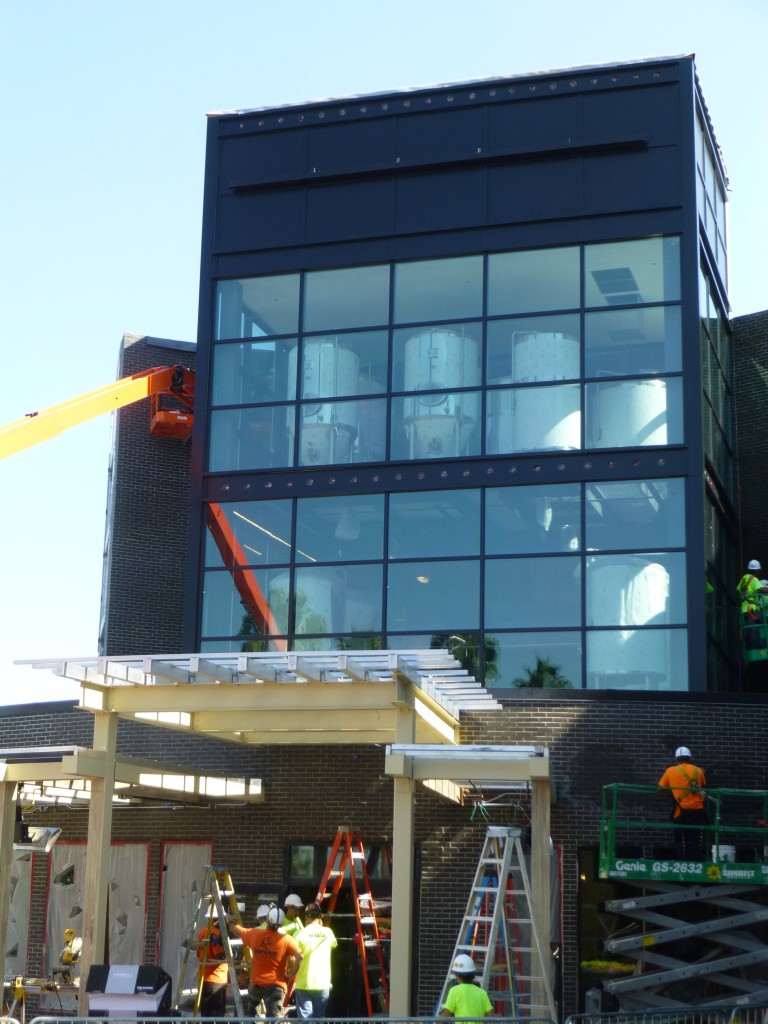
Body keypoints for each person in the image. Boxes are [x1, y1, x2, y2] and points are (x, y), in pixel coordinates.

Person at [229, 905, 303, 1018]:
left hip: (256, 984)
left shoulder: (254, 934)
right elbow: (300, 956)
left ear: (267, 920)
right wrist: (293, 973)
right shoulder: (286, 939)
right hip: (276, 986)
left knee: (253, 1017)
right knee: (274, 1019)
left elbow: (237, 930)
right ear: (282, 923)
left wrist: (230, 922)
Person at [658, 746, 708, 861]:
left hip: (681, 810)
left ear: (676, 759)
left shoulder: (670, 771)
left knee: (679, 838)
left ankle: (682, 861)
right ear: (689, 758)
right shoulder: (698, 770)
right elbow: (703, 786)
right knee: (694, 837)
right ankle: (695, 862)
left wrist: (674, 790)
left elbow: (660, 788)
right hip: (697, 810)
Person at [293, 902, 337, 1020]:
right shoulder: (328, 933)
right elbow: (333, 945)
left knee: (305, 1020)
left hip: (304, 984)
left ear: (306, 917)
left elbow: (293, 957)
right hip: (323, 984)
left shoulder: (299, 934)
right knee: (319, 1018)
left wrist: (291, 973)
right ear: (320, 917)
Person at [191, 909, 229, 1022]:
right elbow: (219, 956)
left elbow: (199, 953)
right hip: (216, 980)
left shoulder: (203, 932)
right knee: (216, 1016)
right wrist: (231, 955)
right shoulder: (216, 934)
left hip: (205, 978)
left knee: (206, 1014)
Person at [439, 953, 494, 1019]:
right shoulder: (482, 993)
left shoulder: (454, 991)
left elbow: (445, 1016)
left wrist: (438, 1019)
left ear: (457, 975)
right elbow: (490, 1016)